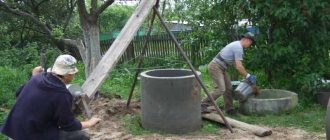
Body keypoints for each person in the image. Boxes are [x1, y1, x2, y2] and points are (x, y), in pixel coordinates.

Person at [0, 54, 101, 140]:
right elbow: (68, 125)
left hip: (13, 129)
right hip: (30, 136)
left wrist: (33, 77)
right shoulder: (62, 94)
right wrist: (90, 123)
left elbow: (18, 93)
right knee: (82, 136)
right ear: (67, 75)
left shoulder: (37, 78)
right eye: (73, 73)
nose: (73, 76)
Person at [201, 32, 257, 115]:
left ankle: (229, 109)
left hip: (221, 68)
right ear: (247, 40)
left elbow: (236, 65)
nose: (249, 46)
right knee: (221, 89)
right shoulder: (238, 48)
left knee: (228, 88)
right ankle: (202, 105)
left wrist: (245, 75)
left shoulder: (236, 45)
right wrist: (248, 76)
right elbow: (239, 67)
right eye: (250, 43)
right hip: (215, 67)